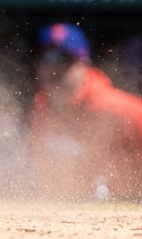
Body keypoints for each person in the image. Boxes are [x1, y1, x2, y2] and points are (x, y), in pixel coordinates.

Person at [29, 22, 142, 201]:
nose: (54, 67)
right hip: (66, 216)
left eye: (63, 58)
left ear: (83, 63)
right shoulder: (41, 107)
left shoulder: (119, 109)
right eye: (46, 57)